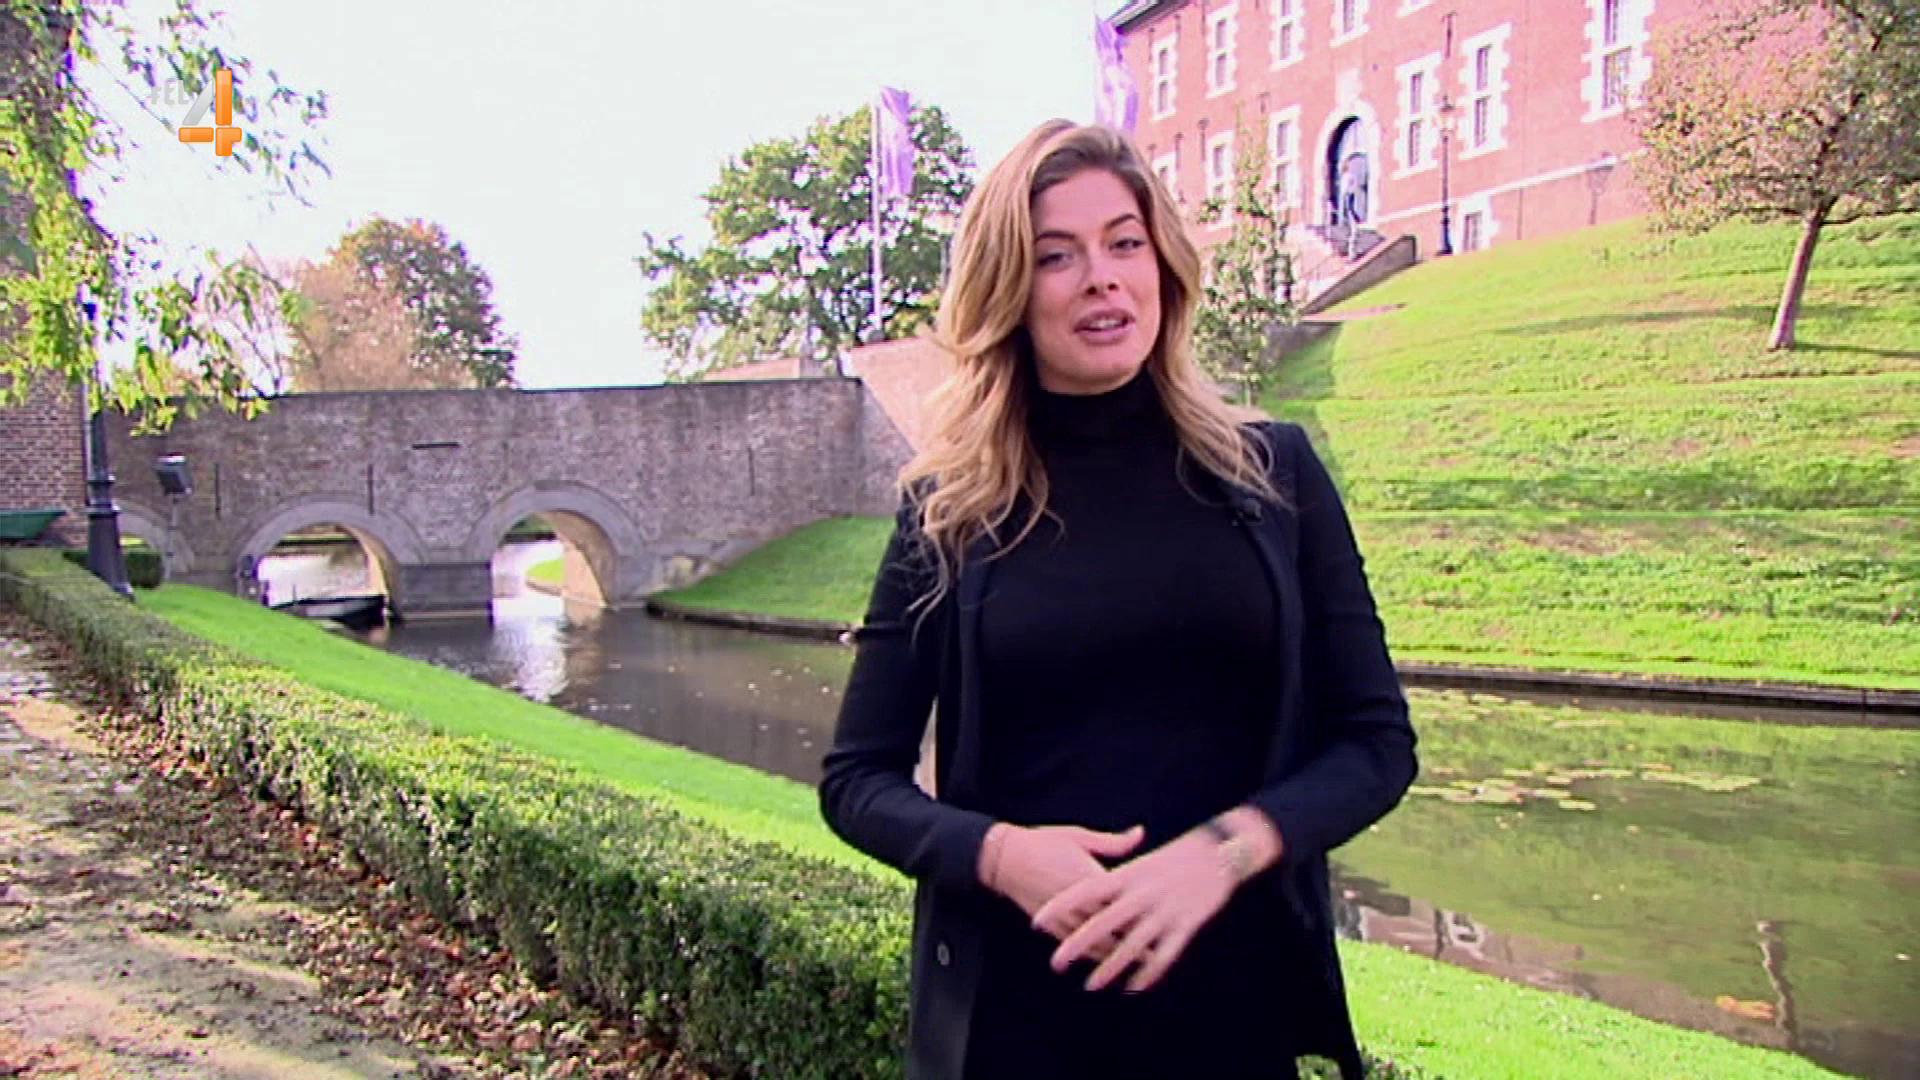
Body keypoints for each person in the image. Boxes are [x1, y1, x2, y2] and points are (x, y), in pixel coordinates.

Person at [818, 119, 1416, 1080]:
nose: (1101, 278)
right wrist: (1000, 856)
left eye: (1124, 243)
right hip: (1017, 1025)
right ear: (1009, 292)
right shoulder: (951, 509)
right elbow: (857, 781)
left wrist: (1223, 853)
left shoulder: (1275, 474)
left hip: (1234, 1019)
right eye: (1056, 256)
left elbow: (1376, 742)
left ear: (1162, 267)